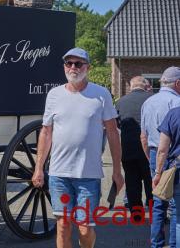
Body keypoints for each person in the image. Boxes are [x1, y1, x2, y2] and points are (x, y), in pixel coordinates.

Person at [31, 48, 124, 248]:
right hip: (58, 175)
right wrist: (39, 167)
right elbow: (46, 132)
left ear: (87, 67)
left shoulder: (101, 94)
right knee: (63, 225)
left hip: (88, 175)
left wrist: (117, 170)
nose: (73, 67)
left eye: (78, 63)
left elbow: (113, 133)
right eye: (69, 63)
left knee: (84, 227)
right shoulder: (54, 94)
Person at [141, 66, 180, 248]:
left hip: (155, 153)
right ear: (177, 83)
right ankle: (173, 244)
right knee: (174, 206)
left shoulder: (148, 102)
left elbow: (143, 136)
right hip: (173, 156)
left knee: (158, 202)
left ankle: (156, 244)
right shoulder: (177, 103)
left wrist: (150, 158)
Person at [115, 76, 153, 221]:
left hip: (128, 148)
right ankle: (156, 214)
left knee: (132, 182)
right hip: (148, 149)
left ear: (131, 86)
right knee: (151, 183)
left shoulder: (121, 102)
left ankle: (137, 215)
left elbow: (117, 124)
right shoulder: (152, 99)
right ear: (145, 85)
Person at [154, 105, 180, 245]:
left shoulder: (174, 114)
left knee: (178, 213)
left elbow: (162, 149)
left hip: (178, 167)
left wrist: (158, 173)